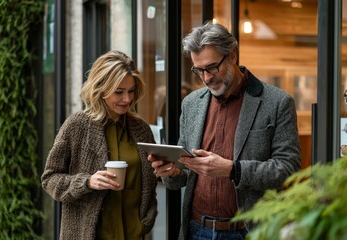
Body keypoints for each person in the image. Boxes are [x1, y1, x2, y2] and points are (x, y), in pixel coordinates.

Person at [149, 21, 301, 240]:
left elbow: (288, 169)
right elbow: (183, 172)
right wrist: (172, 172)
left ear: (233, 55)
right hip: (196, 229)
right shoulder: (191, 103)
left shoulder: (277, 102)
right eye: (199, 70)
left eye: (212, 67)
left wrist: (233, 169)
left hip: (249, 231)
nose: (207, 78)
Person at [41, 50, 158, 240]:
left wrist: (146, 220)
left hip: (134, 235)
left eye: (131, 91)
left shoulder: (141, 129)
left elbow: (152, 182)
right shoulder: (76, 125)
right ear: (101, 89)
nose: (127, 99)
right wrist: (87, 182)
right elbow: (50, 179)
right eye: (119, 92)